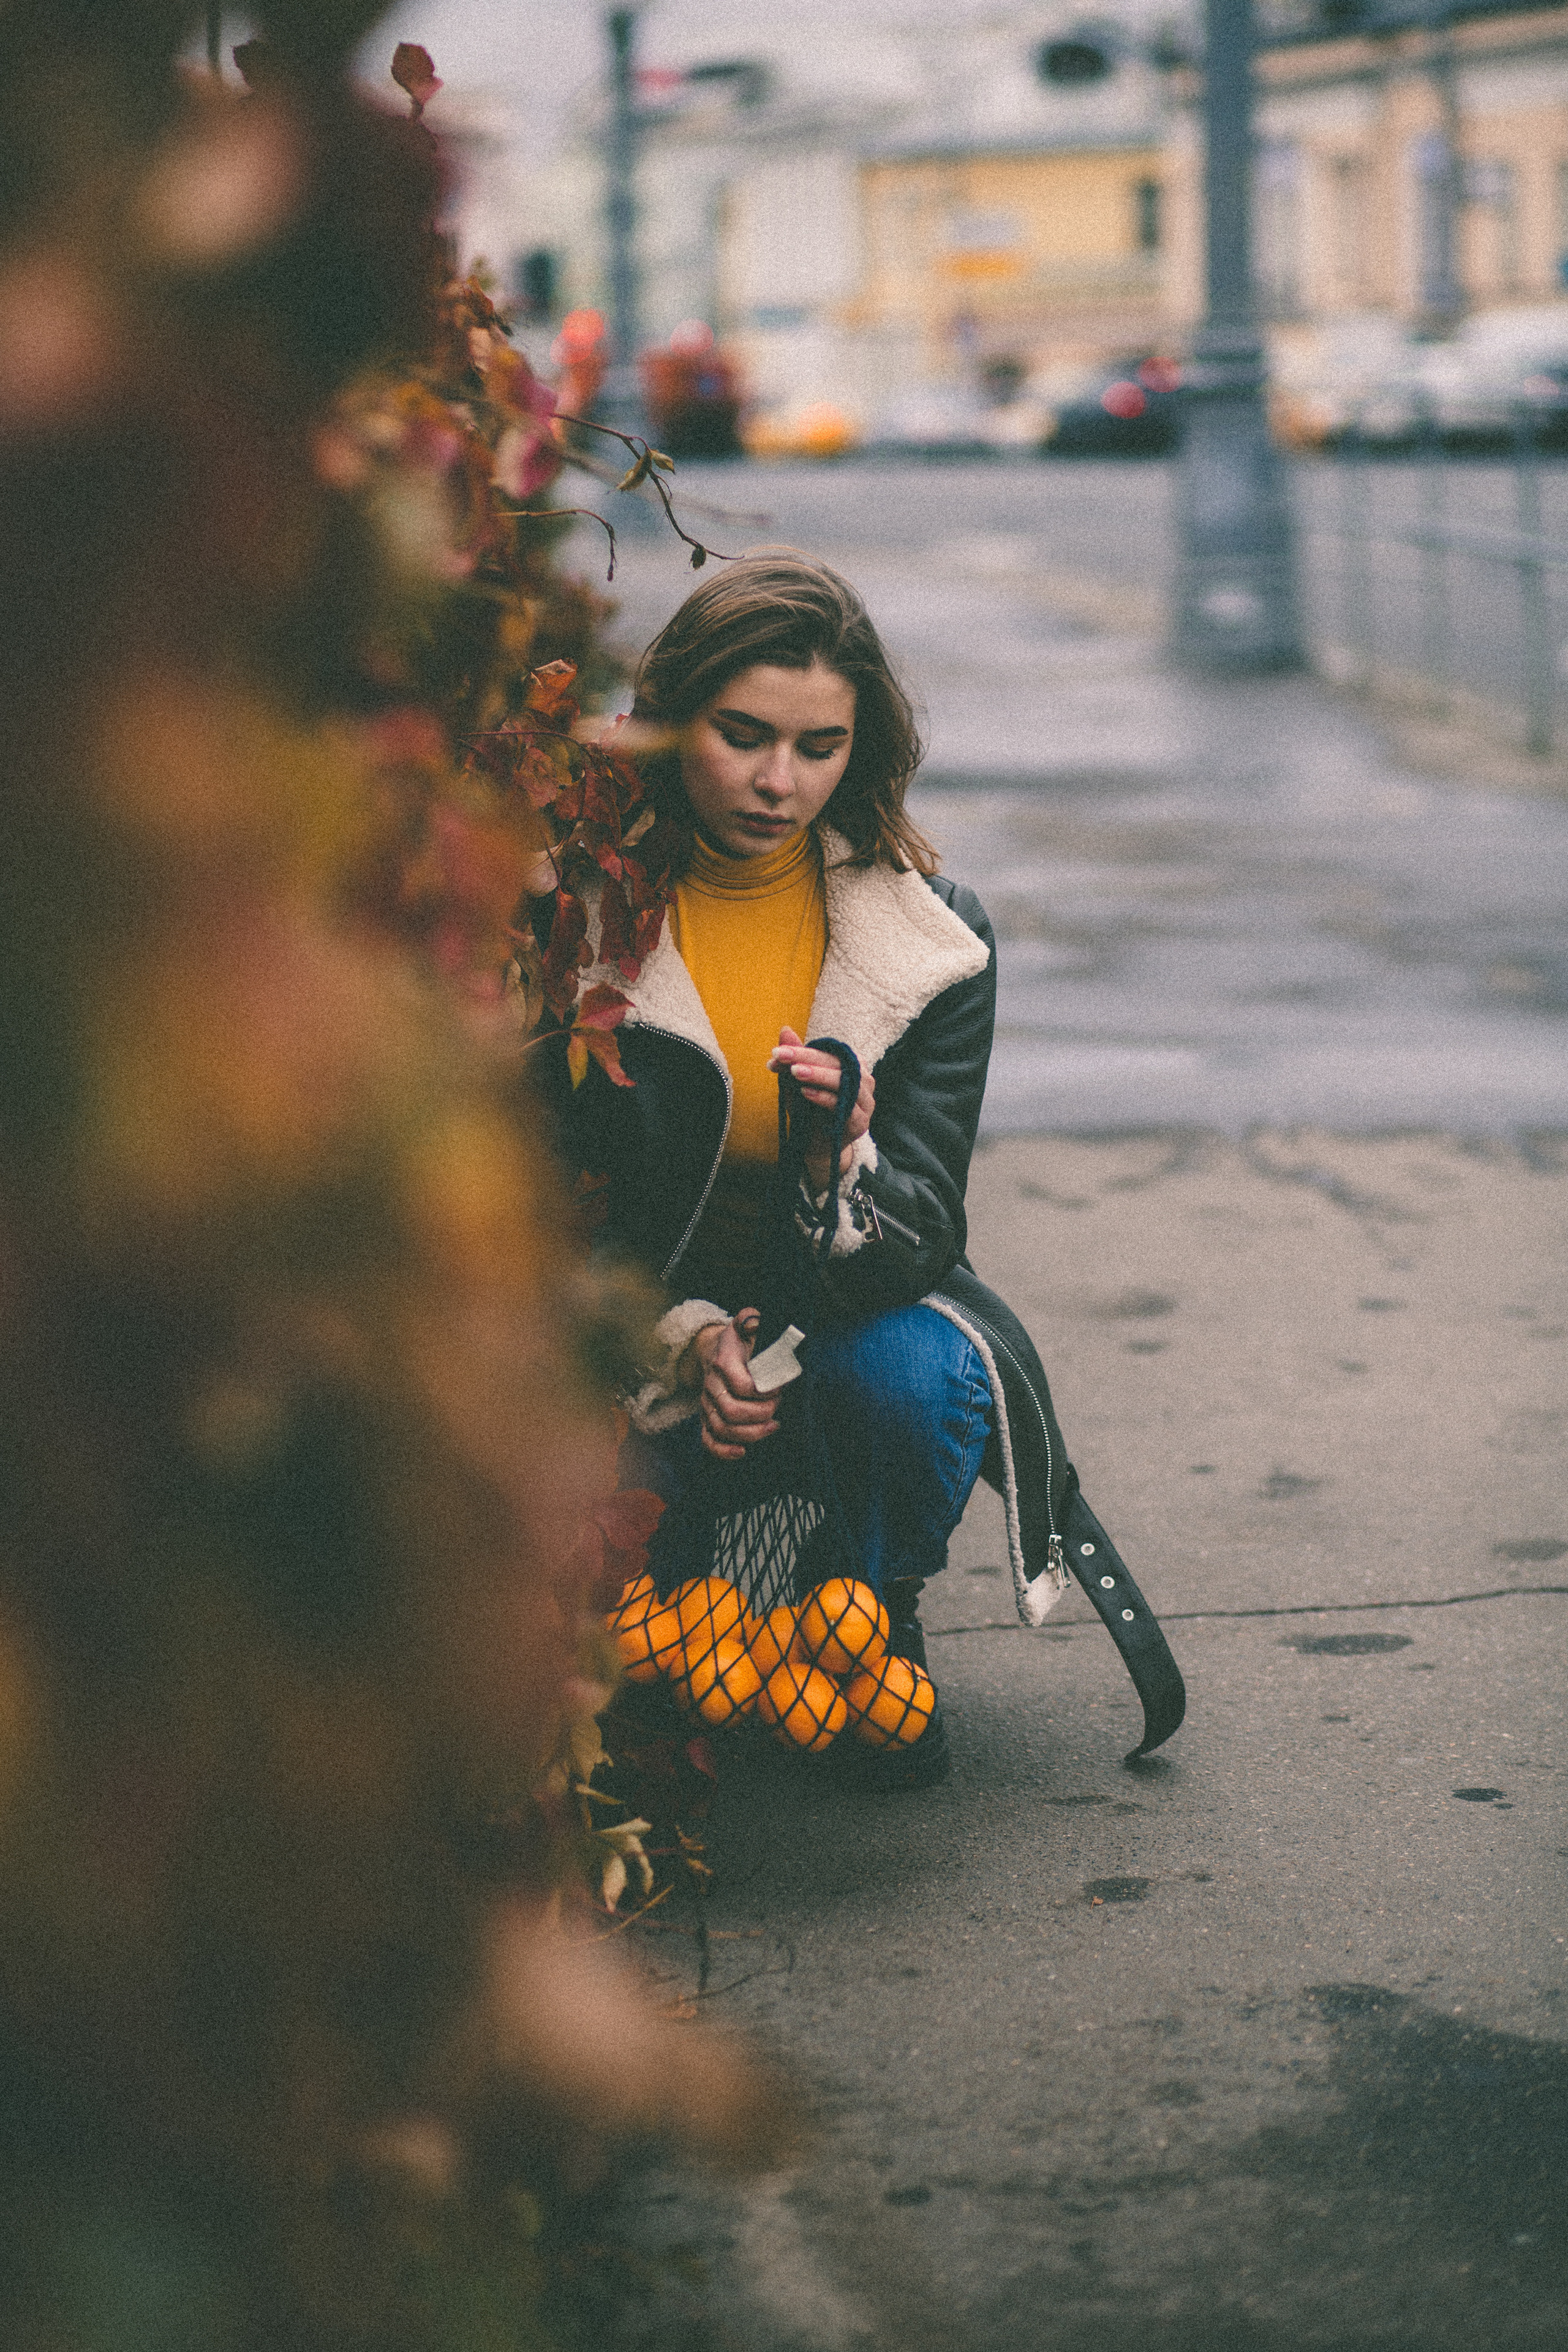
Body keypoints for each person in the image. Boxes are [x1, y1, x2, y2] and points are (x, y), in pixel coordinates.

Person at [549, 552, 1088, 1790]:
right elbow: (537, 1204)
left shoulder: (925, 937)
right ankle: (672, 1629)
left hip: (834, 1311)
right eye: (742, 736)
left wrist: (832, 1164)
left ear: (862, 747)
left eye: (818, 746)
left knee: (915, 1376)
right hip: (630, 1306)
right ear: (672, 713)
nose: (777, 782)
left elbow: (920, 1234)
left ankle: (867, 1630)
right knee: (622, 1649)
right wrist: (681, 1338)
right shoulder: (583, 910)